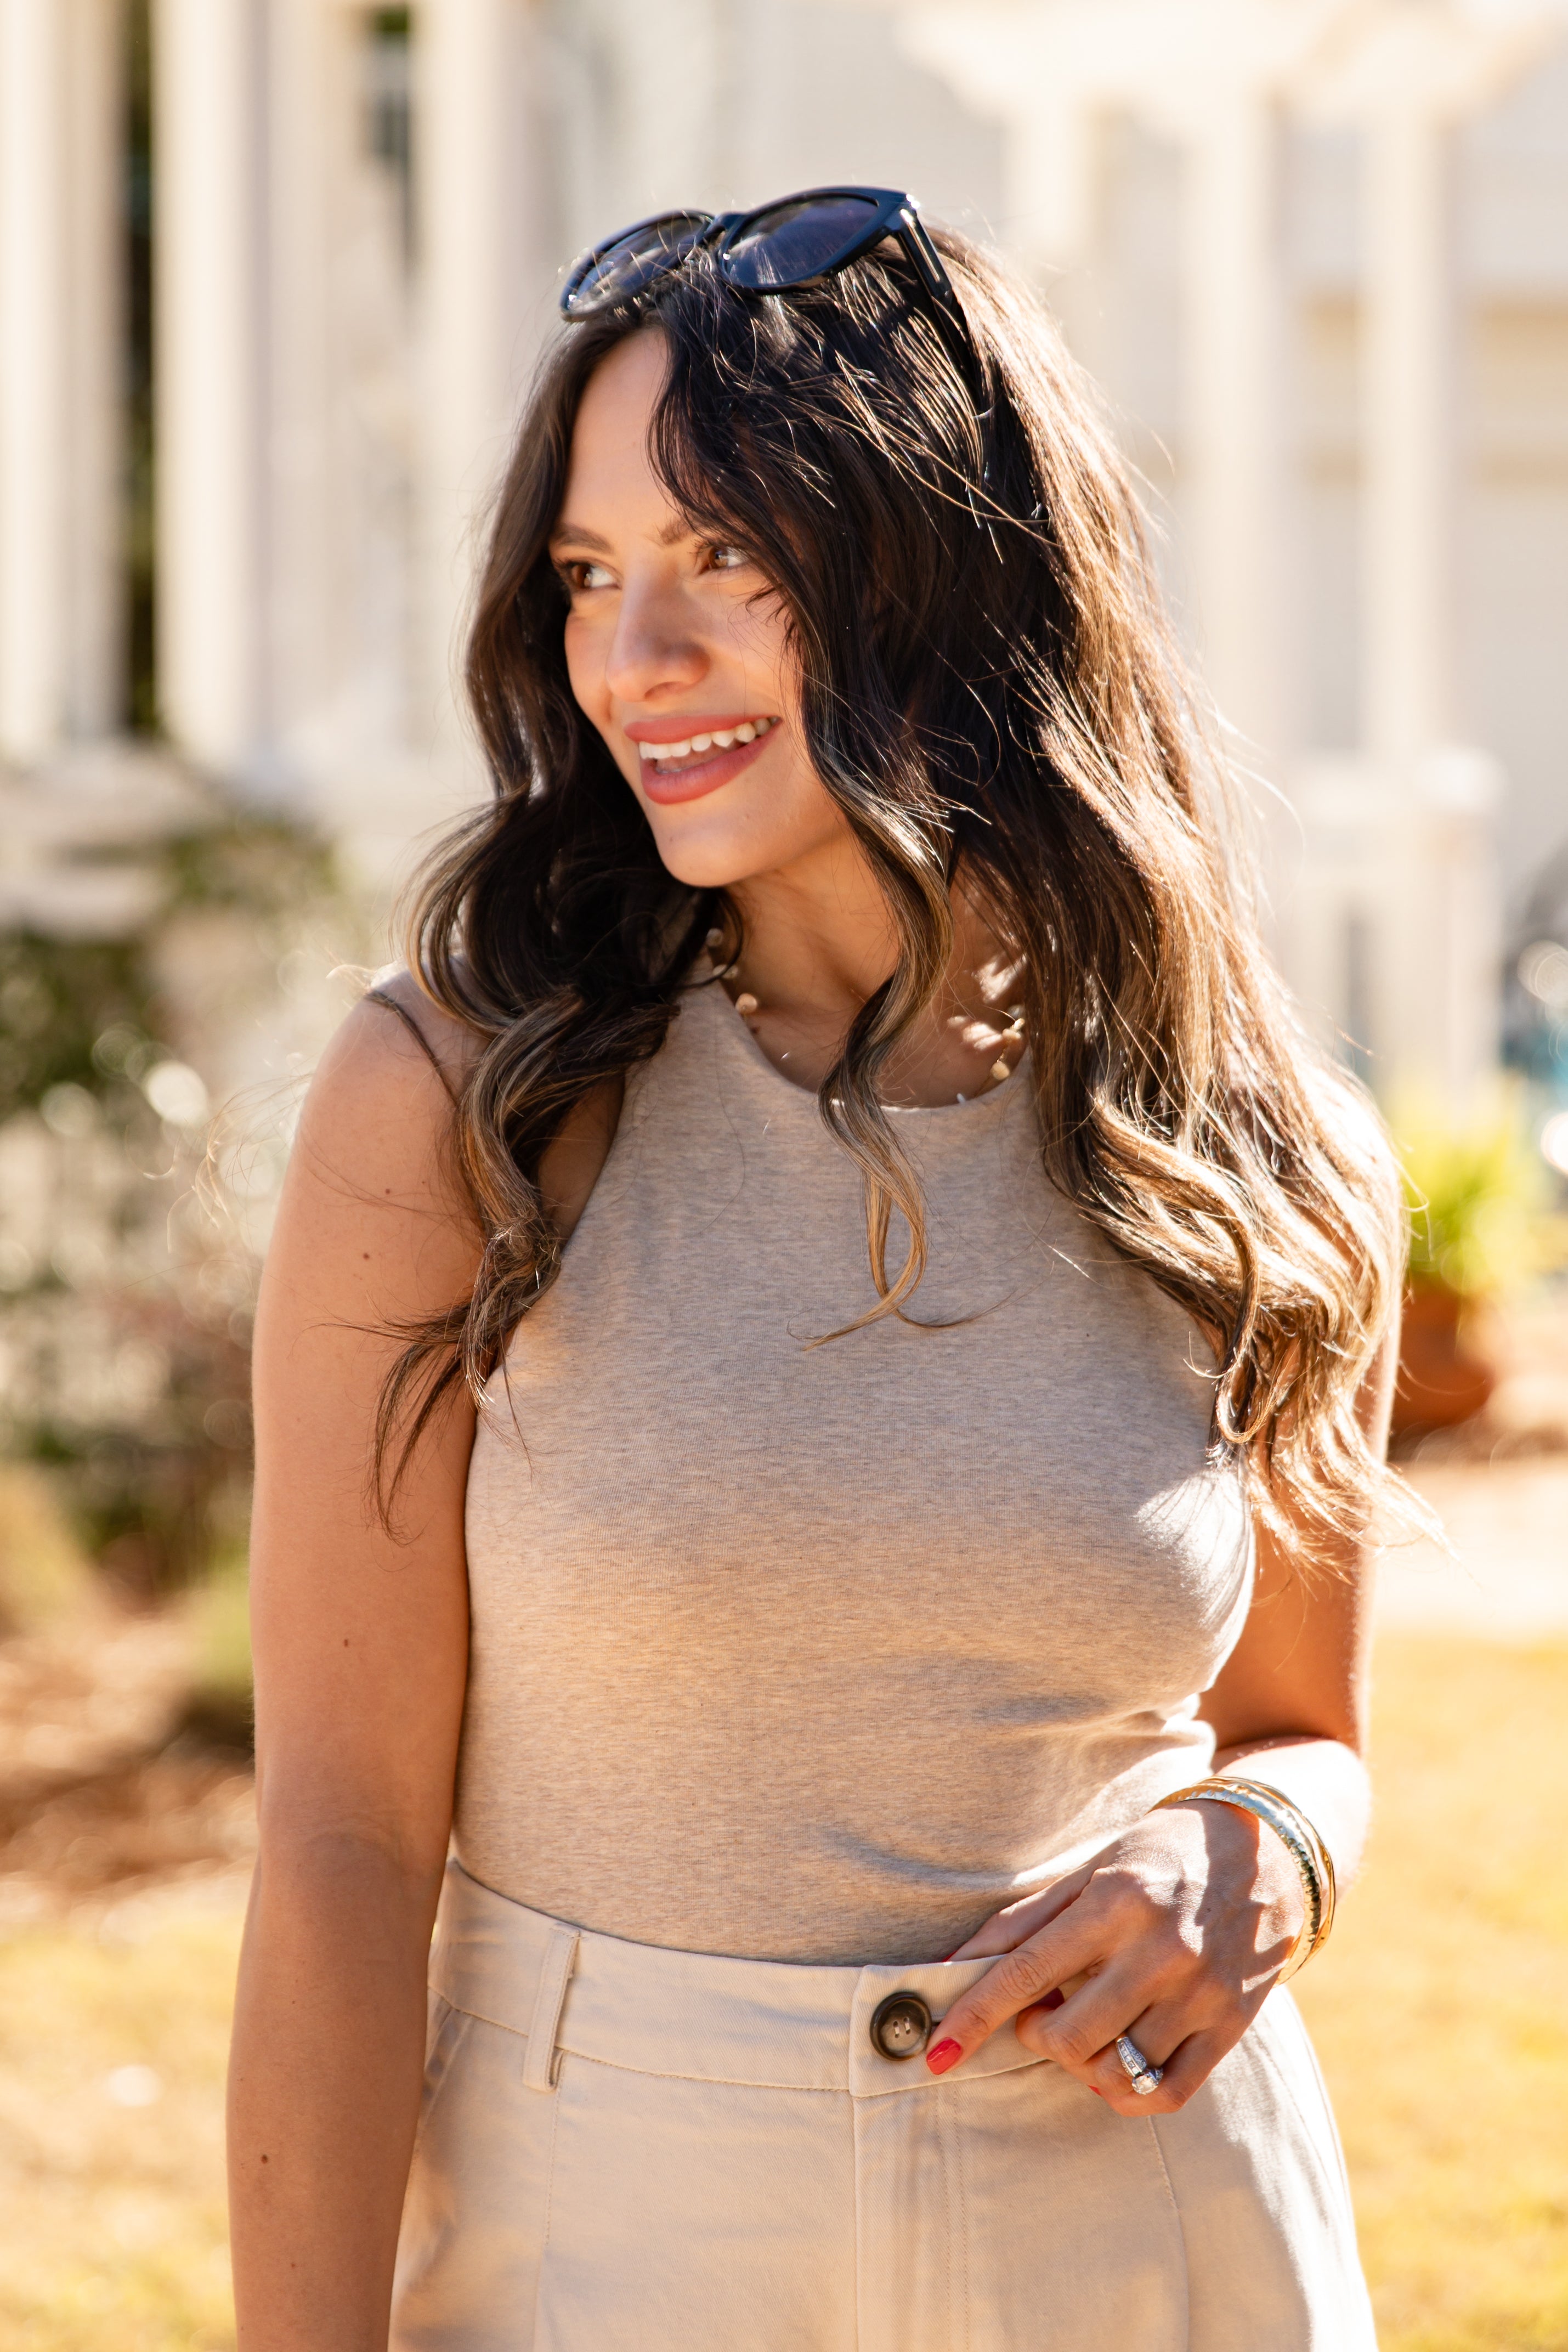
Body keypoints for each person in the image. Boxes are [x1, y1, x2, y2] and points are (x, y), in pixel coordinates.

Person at [230, 191, 1403, 2351]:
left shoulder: (1256, 1141)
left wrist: (1262, 1858)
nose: (628, 661)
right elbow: (340, 1841)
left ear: (944, 574)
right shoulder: (462, 1101)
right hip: (606, 2243)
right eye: (589, 577)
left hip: (1143, 2231)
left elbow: (1303, 1731)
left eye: (723, 563)